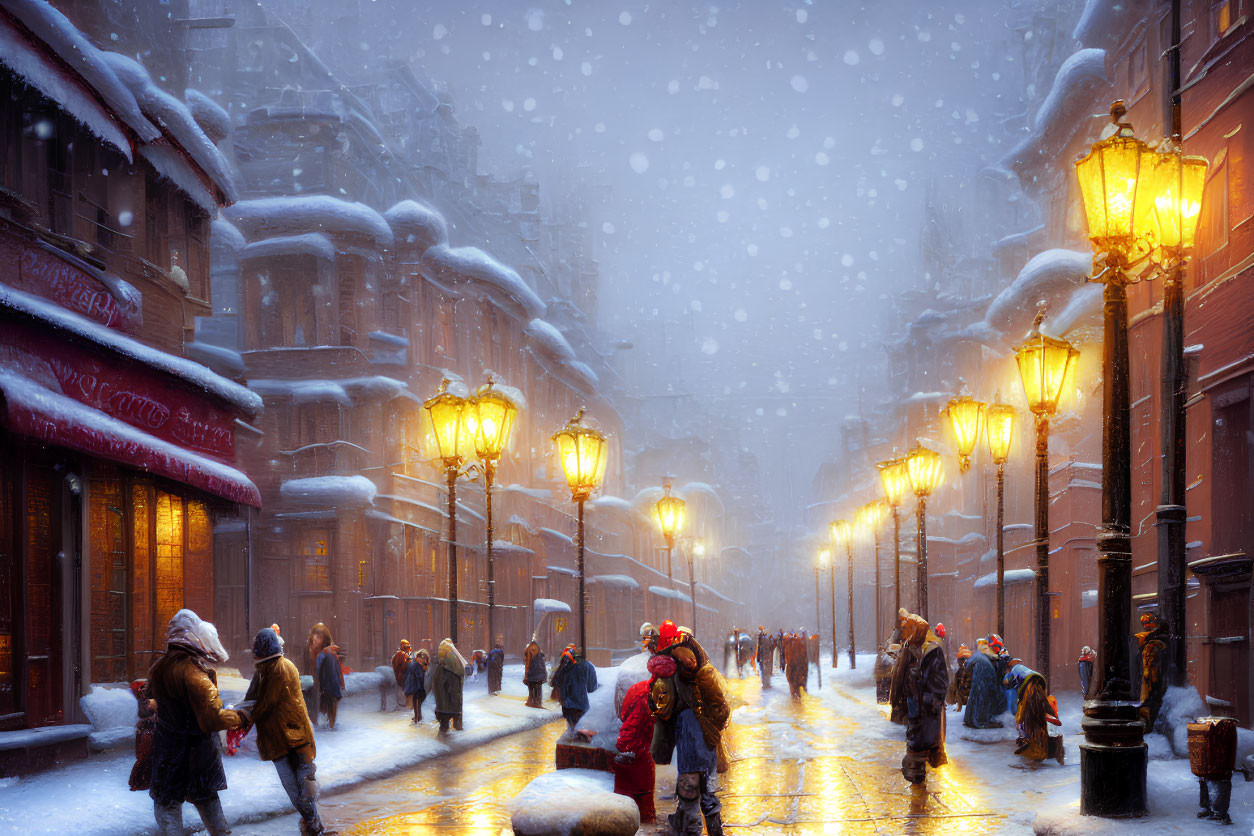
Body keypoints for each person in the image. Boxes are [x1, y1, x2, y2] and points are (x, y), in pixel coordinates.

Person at [147, 609, 246, 836]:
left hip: (167, 752)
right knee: (210, 808)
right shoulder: (195, 672)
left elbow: (152, 697)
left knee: (167, 807)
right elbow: (212, 718)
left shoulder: (159, 667)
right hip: (197, 754)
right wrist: (240, 717)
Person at [241, 627, 336, 836]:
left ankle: (313, 827)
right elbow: (252, 699)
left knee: (302, 788)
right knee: (300, 788)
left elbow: (264, 703)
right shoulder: (265, 669)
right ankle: (314, 826)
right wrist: (243, 712)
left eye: (256, 648)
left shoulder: (278, 668)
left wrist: (243, 716)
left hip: (292, 738)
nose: (254, 652)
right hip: (285, 739)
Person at [652, 620, 729, 836]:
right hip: (705, 747)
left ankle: (692, 829)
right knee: (706, 795)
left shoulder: (680, 680)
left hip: (693, 748)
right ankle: (713, 832)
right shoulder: (702, 675)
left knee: (691, 796)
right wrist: (712, 730)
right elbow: (722, 710)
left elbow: (663, 711)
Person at [900, 614, 948, 785]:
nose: (903, 632)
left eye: (907, 628)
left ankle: (918, 783)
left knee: (920, 745)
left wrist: (929, 701)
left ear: (916, 629)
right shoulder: (910, 647)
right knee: (916, 743)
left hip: (926, 710)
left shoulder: (932, 651)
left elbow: (940, 683)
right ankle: (917, 781)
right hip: (915, 706)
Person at [614, 678, 656, 823]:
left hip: (632, 749)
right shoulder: (646, 698)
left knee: (624, 801)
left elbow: (624, 716)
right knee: (641, 799)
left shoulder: (640, 688)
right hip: (636, 751)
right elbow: (632, 728)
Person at [1004, 661, 1062, 764]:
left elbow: (1008, 682)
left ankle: (1035, 748)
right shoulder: (1022, 669)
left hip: (1029, 689)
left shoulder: (1014, 671)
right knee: (1037, 715)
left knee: (1029, 718)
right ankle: (1040, 744)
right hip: (1038, 683)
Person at [550, 644, 598, 737]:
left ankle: (571, 742)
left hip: (567, 705)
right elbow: (592, 688)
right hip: (581, 705)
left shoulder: (565, 665)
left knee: (572, 728)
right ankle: (576, 745)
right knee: (579, 730)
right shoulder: (588, 666)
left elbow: (555, 681)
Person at [962, 639, 1006, 729]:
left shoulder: (980, 653)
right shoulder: (988, 660)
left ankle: (970, 719)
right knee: (982, 695)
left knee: (976, 694)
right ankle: (980, 721)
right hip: (983, 669)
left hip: (978, 665)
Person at [1137, 612, 1168, 732]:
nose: (1146, 624)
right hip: (1154, 676)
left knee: (1150, 699)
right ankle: (1149, 724)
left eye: (1147, 622)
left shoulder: (1148, 641)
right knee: (1152, 699)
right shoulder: (1148, 638)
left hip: (1153, 676)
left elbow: (1148, 662)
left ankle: (1149, 724)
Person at [431, 637, 467, 732]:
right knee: (455, 719)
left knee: (444, 725)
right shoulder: (455, 661)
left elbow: (439, 683)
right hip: (454, 698)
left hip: (446, 699)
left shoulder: (445, 664)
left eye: (441, 649)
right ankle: (456, 727)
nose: (440, 651)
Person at [316, 640, 344, 730]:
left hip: (328, 683)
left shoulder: (323, 656)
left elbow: (318, 669)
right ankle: (332, 723)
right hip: (332, 683)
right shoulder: (330, 656)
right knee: (333, 702)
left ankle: (331, 723)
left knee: (330, 702)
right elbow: (338, 671)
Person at [404, 648, 430, 724]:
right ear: (418, 657)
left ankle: (418, 716)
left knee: (418, 701)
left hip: (417, 685)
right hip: (417, 685)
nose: (422, 662)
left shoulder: (416, 663)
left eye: (424, 660)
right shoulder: (415, 664)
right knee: (417, 701)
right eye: (422, 660)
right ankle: (417, 717)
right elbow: (420, 676)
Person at [784, 631, 809, 700]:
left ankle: (796, 703)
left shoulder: (790, 647)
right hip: (796, 670)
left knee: (794, 691)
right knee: (796, 692)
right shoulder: (801, 647)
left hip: (795, 670)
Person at [523, 638, 547, 708]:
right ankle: (538, 703)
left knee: (531, 688)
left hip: (533, 673)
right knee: (538, 688)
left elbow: (527, 665)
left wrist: (526, 676)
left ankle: (531, 702)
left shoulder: (528, 650)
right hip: (541, 673)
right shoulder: (538, 651)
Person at [390, 639, 412, 710]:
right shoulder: (403, 655)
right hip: (404, 676)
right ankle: (408, 705)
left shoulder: (396, 655)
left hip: (399, 676)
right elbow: (406, 666)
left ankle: (406, 704)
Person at [951, 644, 972, 711]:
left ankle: (960, 705)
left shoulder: (961, 668)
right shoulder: (968, 653)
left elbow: (961, 683)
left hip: (965, 693)